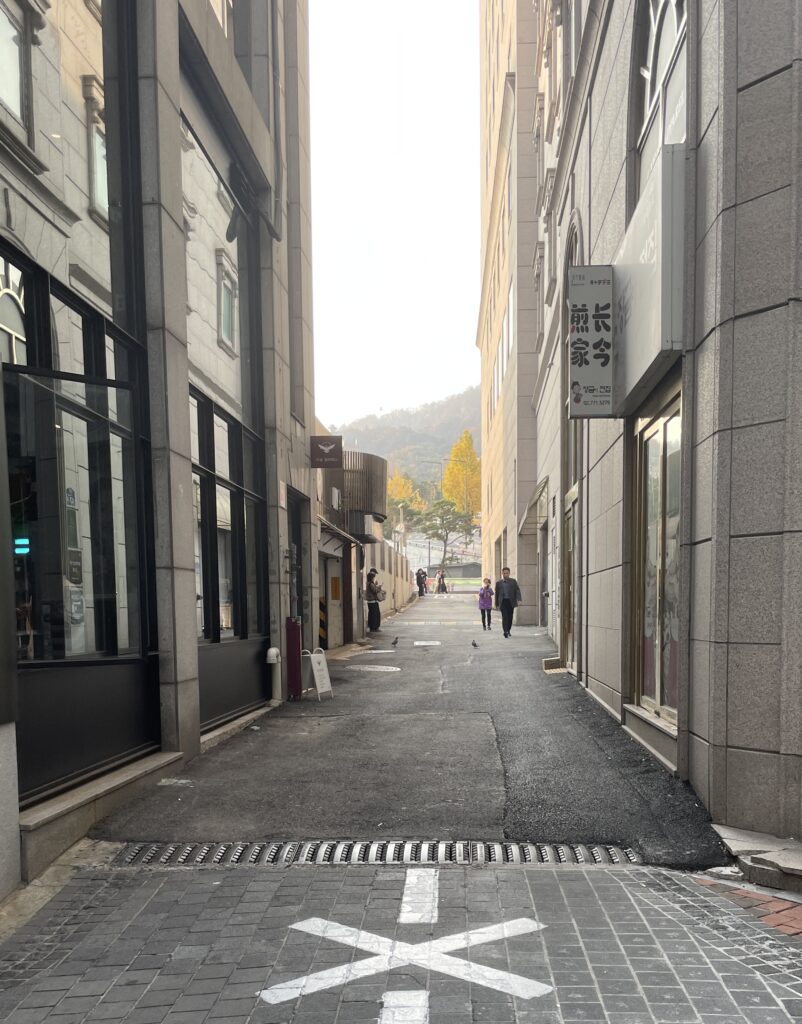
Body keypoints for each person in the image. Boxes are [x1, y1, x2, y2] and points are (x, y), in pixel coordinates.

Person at [494, 566, 522, 638]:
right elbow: (497, 594)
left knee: (510, 617)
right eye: (504, 573)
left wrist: (519, 599)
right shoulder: (499, 583)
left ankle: (508, 630)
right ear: (502, 574)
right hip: (503, 602)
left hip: (510, 601)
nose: (505, 574)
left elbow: (517, 590)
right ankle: (505, 631)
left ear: (509, 573)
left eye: (507, 573)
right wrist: (496, 604)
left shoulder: (513, 581)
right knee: (505, 617)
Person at [366, 568, 383, 632]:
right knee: (375, 615)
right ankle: (374, 628)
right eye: (373, 577)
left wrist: (375, 585)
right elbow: (375, 591)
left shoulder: (370, 583)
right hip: (373, 601)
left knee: (372, 615)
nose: (374, 578)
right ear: (371, 577)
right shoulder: (370, 584)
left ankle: (373, 627)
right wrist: (380, 587)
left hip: (371, 601)